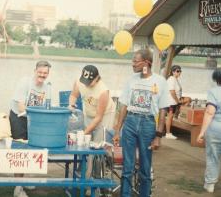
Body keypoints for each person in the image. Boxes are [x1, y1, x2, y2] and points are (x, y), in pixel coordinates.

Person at [113, 49, 169, 197]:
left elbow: (163, 110)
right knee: (127, 167)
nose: (133, 64)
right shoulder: (131, 80)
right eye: (133, 61)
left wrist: (158, 136)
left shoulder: (160, 81)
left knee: (145, 168)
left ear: (146, 63)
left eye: (136, 61)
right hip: (130, 122)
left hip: (148, 124)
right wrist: (118, 130)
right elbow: (123, 106)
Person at [69, 65, 116, 196]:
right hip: (89, 114)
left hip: (104, 117)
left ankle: (96, 185)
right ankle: (84, 177)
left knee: (97, 149)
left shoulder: (103, 91)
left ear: (96, 79)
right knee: (85, 146)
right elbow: (73, 95)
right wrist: (71, 105)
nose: (87, 85)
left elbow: (99, 118)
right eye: (85, 82)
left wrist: (84, 133)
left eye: (90, 82)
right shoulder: (79, 81)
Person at [9, 60, 52, 197]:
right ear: (35, 71)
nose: (42, 75)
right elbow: (21, 105)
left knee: (31, 151)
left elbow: (47, 108)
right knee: (20, 151)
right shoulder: (25, 82)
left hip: (33, 120)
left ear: (48, 74)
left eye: (45, 73)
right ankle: (18, 188)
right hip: (19, 117)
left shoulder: (47, 87)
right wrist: (32, 120)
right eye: (40, 72)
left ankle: (22, 180)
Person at [197, 68, 221, 193]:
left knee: (213, 157)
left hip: (216, 129)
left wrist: (201, 132)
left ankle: (210, 184)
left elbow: (210, 112)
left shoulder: (213, 92)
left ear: (216, 79)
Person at [165, 65, 191, 139]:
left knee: (188, 99)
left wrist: (179, 101)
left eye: (180, 71)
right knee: (169, 116)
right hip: (171, 101)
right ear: (173, 72)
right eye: (177, 71)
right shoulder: (171, 79)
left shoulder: (175, 79)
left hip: (175, 100)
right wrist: (178, 101)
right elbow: (172, 92)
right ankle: (168, 133)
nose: (179, 72)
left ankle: (178, 114)